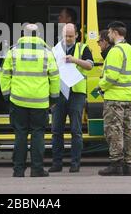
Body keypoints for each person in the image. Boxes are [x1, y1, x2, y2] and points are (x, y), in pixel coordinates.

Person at [0, 24, 60, 177]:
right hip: (40, 101)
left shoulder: (13, 52)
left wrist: (7, 95)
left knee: (20, 134)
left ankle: (18, 170)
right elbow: (54, 76)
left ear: (23, 34)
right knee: (38, 134)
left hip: (18, 100)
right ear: (38, 35)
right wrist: (54, 98)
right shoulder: (47, 53)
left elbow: (4, 74)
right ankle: (37, 169)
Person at [49, 23, 94, 173]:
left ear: (76, 35)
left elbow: (89, 66)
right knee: (56, 130)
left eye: (70, 36)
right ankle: (57, 163)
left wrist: (75, 60)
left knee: (76, 130)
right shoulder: (55, 50)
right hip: (59, 93)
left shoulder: (83, 48)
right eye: (65, 35)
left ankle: (75, 163)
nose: (68, 38)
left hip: (76, 93)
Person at [97, 21, 131, 176]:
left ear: (115, 32)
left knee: (114, 130)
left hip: (114, 98)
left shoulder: (116, 51)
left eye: (109, 32)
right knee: (128, 130)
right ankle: (129, 165)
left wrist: (100, 85)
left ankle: (116, 164)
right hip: (128, 97)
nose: (108, 35)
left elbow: (111, 76)